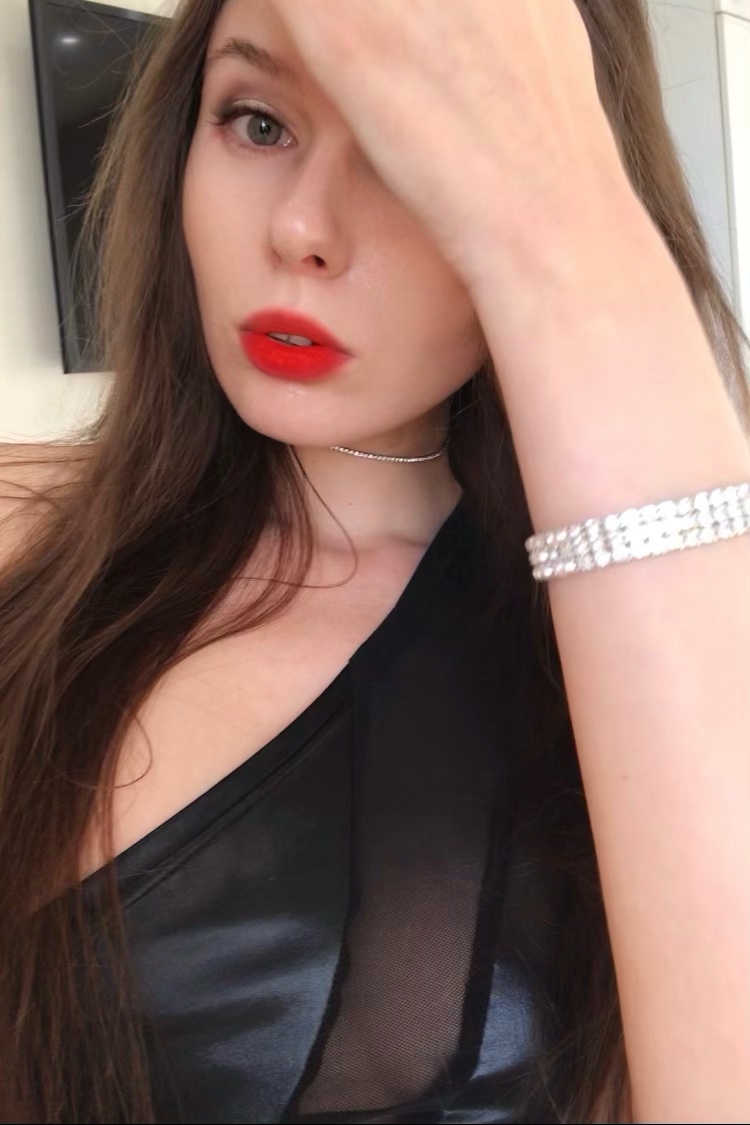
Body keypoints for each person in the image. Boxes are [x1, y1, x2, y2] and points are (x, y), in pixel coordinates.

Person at [0, 0, 748, 1121]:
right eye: (258, 123)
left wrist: (582, 243)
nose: (303, 227)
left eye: (411, 158)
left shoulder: (654, 675)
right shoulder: (26, 523)